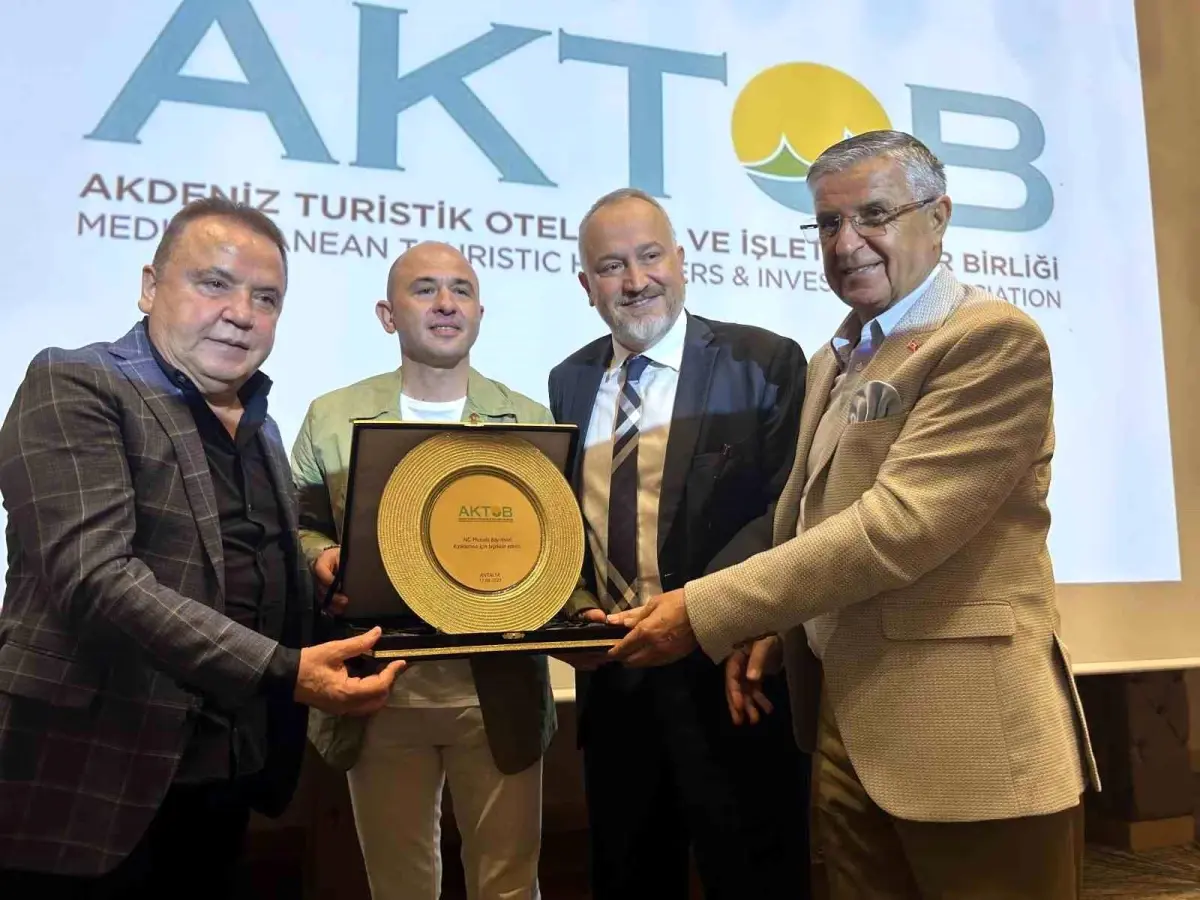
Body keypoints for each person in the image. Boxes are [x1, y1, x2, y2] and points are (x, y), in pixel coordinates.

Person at [608, 131, 1102, 899]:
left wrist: (708, 610)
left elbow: (895, 529)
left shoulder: (990, 341)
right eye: (829, 223)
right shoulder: (833, 359)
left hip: (969, 746)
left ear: (938, 216)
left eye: (874, 215)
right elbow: (809, 518)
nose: (847, 243)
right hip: (849, 733)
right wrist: (778, 626)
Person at [0, 197, 404, 897]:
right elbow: (97, 578)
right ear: (149, 286)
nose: (242, 313)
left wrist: (318, 580)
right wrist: (284, 669)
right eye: (214, 283)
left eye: (266, 298)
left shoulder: (261, 426)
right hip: (90, 775)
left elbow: (232, 566)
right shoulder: (75, 383)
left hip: (224, 771)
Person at [291, 241, 581, 900]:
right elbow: (296, 526)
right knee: (399, 888)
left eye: (461, 290)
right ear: (387, 314)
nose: (445, 303)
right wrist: (318, 557)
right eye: (424, 289)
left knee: (510, 888)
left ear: (479, 313)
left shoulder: (530, 419)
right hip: (379, 690)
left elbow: (562, 543)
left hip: (500, 691)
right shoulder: (331, 417)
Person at [549, 188, 811, 899]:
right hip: (615, 688)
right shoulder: (569, 381)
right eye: (611, 266)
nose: (635, 281)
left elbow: (786, 508)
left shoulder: (764, 361)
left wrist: (700, 611)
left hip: (732, 681)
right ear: (586, 285)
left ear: (682, 260)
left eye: (650, 256)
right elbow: (569, 520)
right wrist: (567, 606)